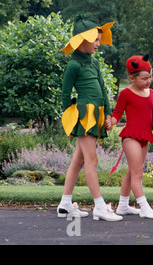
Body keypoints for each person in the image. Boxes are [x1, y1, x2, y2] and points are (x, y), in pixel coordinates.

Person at [57, 18, 122, 222]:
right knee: (91, 160)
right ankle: (100, 207)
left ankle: (65, 204)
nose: (97, 43)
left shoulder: (94, 63)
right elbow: (65, 95)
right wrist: (71, 117)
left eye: (99, 40)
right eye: (94, 39)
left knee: (79, 160)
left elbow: (103, 89)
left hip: (97, 114)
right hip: (84, 117)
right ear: (81, 39)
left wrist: (110, 114)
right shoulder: (74, 65)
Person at [109, 54, 153, 219]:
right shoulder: (126, 93)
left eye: (150, 77)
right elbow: (117, 113)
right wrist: (111, 121)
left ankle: (123, 206)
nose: (148, 81)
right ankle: (144, 207)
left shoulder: (152, 93)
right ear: (132, 78)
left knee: (132, 172)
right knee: (137, 173)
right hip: (131, 136)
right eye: (144, 78)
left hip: (145, 137)